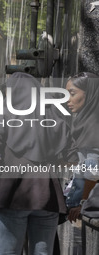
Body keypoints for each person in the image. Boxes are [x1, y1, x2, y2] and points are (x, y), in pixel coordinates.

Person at [0, 72, 78, 255]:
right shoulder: (54, 113)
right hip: (48, 196)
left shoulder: (5, 111)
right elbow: (71, 158)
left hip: (14, 193)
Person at [63, 72, 99, 223]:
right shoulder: (85, 121)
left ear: (89, 94)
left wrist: (83, 203)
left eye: (72, 93)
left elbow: (93, 171)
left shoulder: (93, 126)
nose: (68, 100)